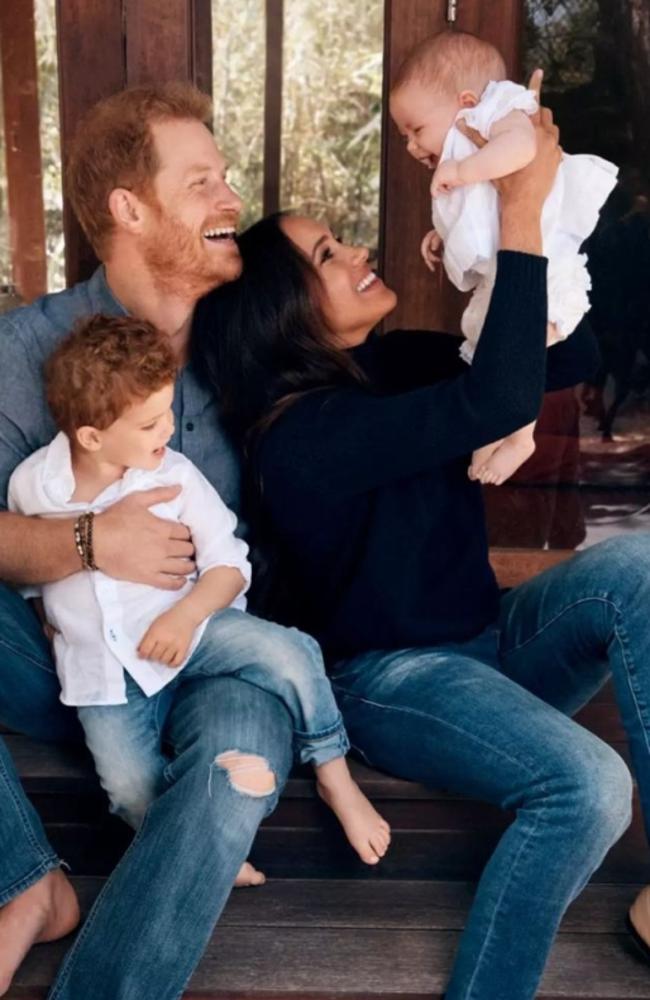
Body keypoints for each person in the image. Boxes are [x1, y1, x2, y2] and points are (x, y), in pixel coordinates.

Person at [192, 89, 649, 1000]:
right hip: (396, 681)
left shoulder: (387, 366)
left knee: (638, 570)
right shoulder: (300, 438)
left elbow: (564, 358)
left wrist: (498, 260)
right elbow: (492, 404)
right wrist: (515, 207)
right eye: (329, 253)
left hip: (489, 643)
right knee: (588, 789)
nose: (358, 251)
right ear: (284, 312)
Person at [1, 82, 312, 1000]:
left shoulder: (246, 342)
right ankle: (24, 883)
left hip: (217, 660)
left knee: (233, 772)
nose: (230, 202)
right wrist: (95, 542)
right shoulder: (24, 352)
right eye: (203, 181)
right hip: (75, 670)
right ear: (129, 209)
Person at [8, 313, 390, 863]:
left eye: (167, 412)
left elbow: (230, 565)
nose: (167, 430)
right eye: (148, 424)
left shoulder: (175, 476)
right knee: (126, 786)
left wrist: (184, 618)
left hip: (196, 625)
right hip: (104, 673)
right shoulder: (33, 486)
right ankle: (189, 849)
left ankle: (333, 773)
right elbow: (30, 570)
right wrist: (48, 615)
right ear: (91, 436)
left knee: (292, 653)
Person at [389, 31, 617, 485]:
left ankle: (520, 435)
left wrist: (462, 169)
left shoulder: (501, 111)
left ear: (467, 101)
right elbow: (484, 211)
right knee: (488, 343)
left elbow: (522, 150)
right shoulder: (470, 145)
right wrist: (442, 234)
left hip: (545, 263)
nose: (413, 146)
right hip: (511, 265)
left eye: (416, 130)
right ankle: (497, 427)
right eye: (404, 137)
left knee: (520, 346)